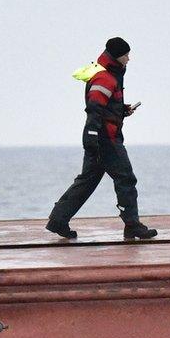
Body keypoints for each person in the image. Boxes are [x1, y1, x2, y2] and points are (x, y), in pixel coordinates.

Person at [45, 37, 158, 240]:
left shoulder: (109, 75)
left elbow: (104, 107)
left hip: (100, 138)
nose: (129, 59)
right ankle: (132, 225)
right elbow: (94, 108)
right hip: (106, 140)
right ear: (117, 56)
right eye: (126, 55)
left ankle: (58, 220)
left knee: (87, 181)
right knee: (126, 179)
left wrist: (122, 110)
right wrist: (93, 137)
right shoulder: (105, 78)